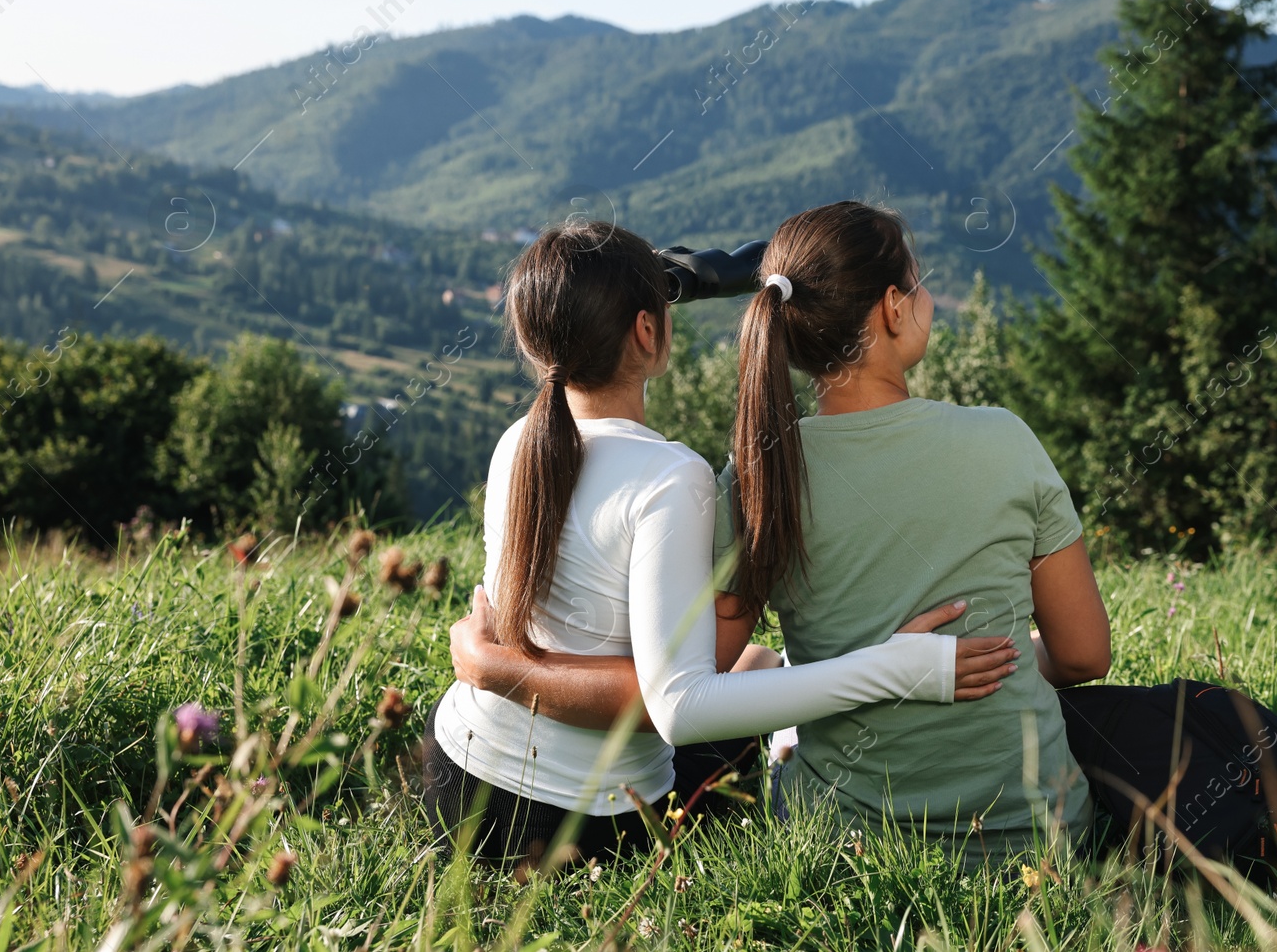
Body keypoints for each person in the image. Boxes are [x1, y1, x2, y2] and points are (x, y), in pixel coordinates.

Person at [452, 203, 1112, 865]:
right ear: (891, 307)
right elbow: (1084, 655)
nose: (930, 298)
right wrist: (991, 657)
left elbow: (705, 668)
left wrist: (498, 665)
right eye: (920, 282)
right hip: (1041, 836)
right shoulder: (1003, 438)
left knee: (763, 666)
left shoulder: (752, 474)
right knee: (762, 672)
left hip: (833, 845)